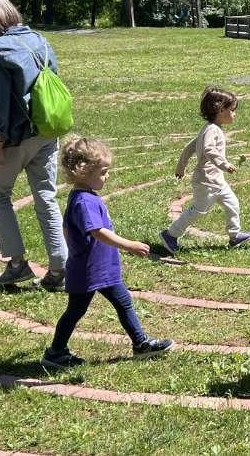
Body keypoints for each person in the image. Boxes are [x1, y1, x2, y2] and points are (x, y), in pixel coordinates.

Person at [41, 136, 175, 369]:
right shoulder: (83, 200)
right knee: (75, 311)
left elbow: (66, 228)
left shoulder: (82, 196)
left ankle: (141, 343)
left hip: (101, 268)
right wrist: (129, 245)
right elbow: (97, 231)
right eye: (103, 172)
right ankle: (55, 352)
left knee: (124, 302)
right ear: (83, 171)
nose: (107, 176)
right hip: (89, 270)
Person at [0, 0, 68, 291]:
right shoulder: (39, 38)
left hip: (17, 136)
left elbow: (0, 101)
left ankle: (17, 265)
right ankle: (59, 269)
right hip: (48, 129)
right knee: (46, 197)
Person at [159, 85, 250, 255]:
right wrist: (224, 164)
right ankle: (170, 234)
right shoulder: (212, 130)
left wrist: (180, 167)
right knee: (198, 210)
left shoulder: (210, 128)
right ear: (220, 110)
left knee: (232, 203)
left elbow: (189, 148)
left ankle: (235, 237)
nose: (235, 114)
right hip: (207, 180)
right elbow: (209, 149)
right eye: (232, 110)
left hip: (217, 181)